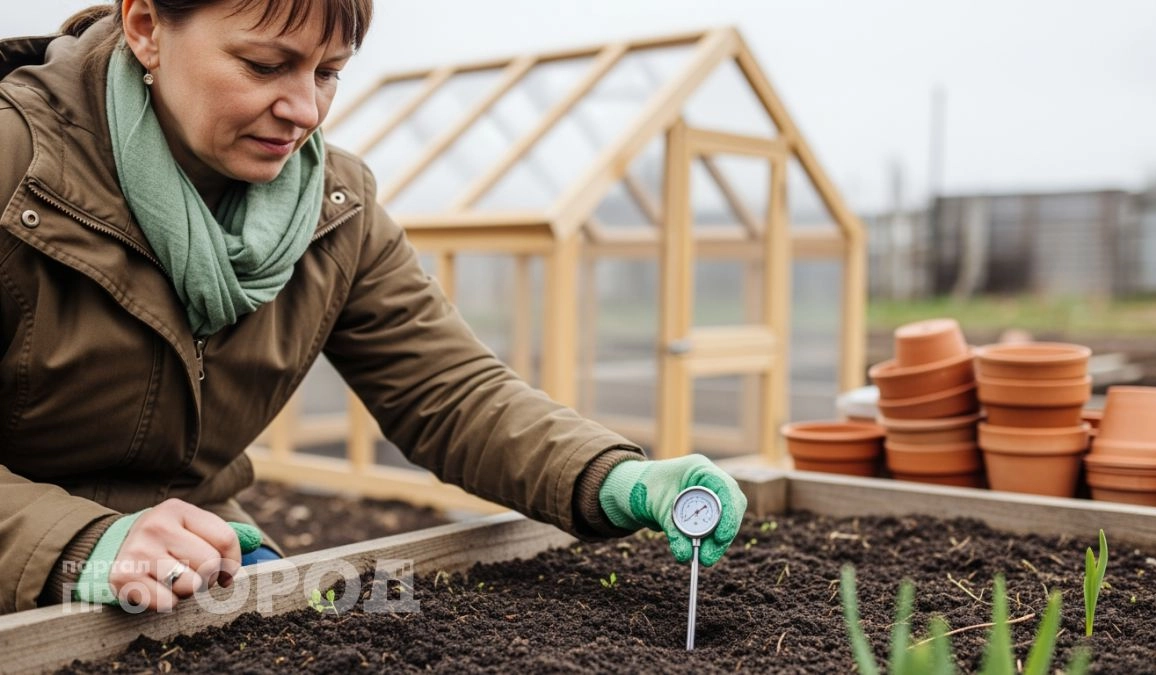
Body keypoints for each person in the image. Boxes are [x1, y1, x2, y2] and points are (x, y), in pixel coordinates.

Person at [0, 0, 747, 615]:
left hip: (202, 558)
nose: (303, 110)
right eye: (264, 65)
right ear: (145, 27)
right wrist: (79, 543)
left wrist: (610, 475)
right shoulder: (14, 164)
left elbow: (448, 392)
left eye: (328, 73)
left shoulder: (333, 208)